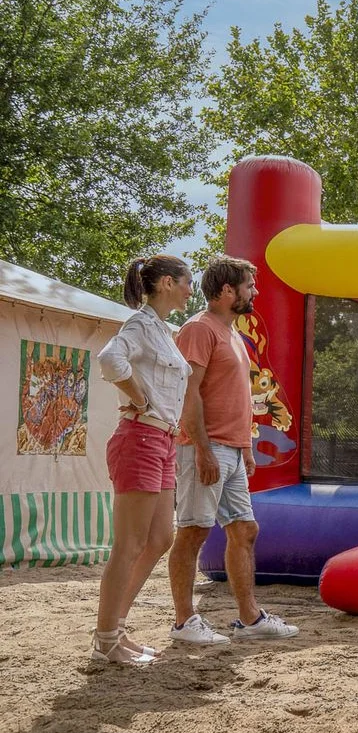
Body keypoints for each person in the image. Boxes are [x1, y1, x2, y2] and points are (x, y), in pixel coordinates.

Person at [166, 256, 299, 644]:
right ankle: (184, 622)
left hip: (231, 451)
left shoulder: (235, 336)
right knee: (193, 531)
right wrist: (203, 449)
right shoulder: (198, 329)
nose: (255, 292)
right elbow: (189, 394)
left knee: (245, 529)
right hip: (203, 449)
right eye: (249, 286)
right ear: (227, 291)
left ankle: (250, 618)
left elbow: (233, 398)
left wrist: (245, 447)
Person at [93, 255, 195, 664]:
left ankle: (115, 627)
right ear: (167, 283)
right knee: (131, 543)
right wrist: (141, 400)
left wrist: (171, 419)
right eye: (188, 281)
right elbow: (108, 359)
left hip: (162, 439)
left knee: (159, 539)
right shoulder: (139, 323)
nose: (191, 289)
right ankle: (106, 639)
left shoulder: (163, 331)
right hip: (139, 437)